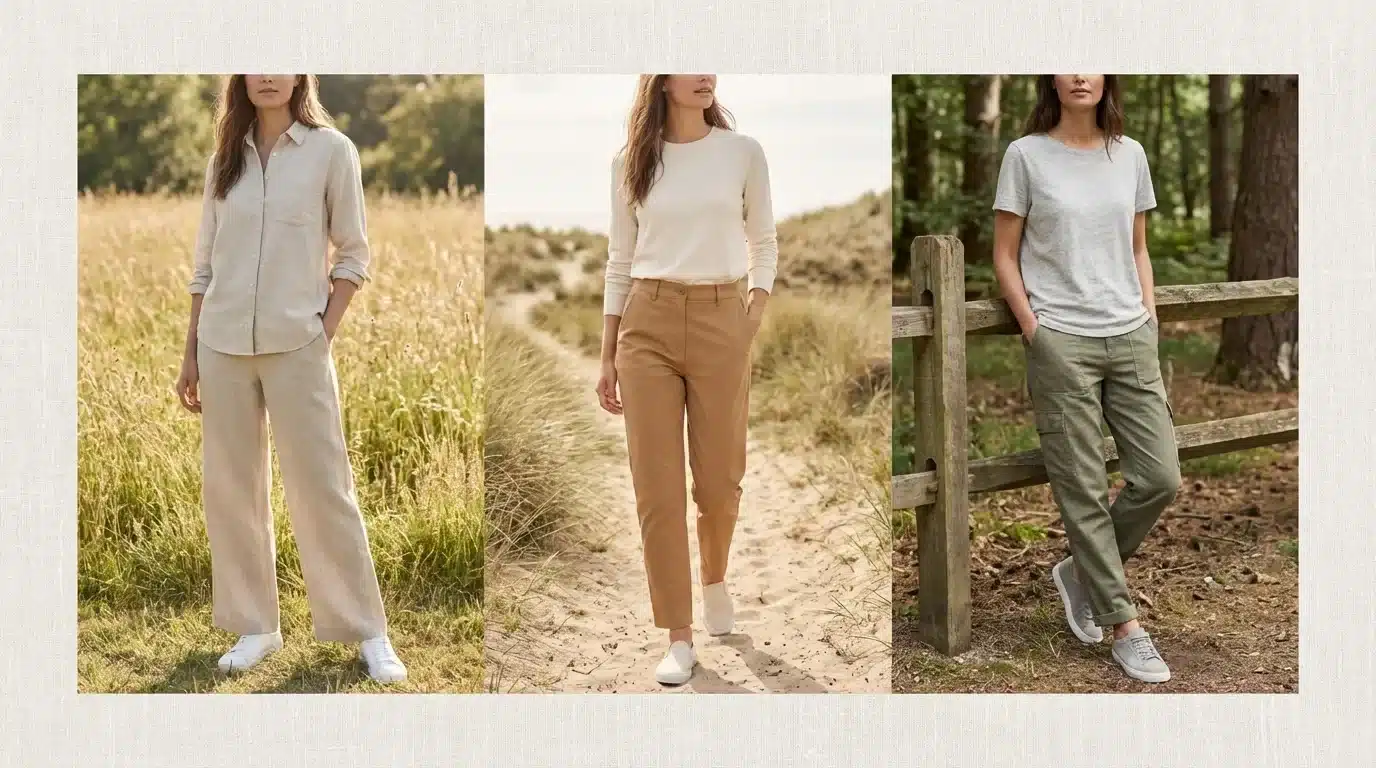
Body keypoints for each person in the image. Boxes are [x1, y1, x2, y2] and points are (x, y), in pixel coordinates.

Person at [174, 74, 406, 682]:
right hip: (222, 343)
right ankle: (257, 625)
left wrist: (320, 333)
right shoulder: (222, 159)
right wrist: (191, 352)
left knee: (324, 485)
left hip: (297, 344)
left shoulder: (333, 150)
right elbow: (205, 263)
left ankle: (367, 629)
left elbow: (354, 254)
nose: (268, 75)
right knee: (230, 487)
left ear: (301, 74)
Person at [992, 74, 1182, 683]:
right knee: (1082, 486)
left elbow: (1138, 247)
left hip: (1130, 334)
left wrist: (1148, 316)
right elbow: (1003, 252)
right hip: (1061, 342)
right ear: (1051, 77)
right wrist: (1033, 329)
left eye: (1092, 62)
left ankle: (1081, 572)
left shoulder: (1129, 153)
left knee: (1160, 477)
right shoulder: (1025, 155)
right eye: (1066, 62)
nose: (1080, 74)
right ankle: (1123, 623)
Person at [594, 74, 778, 685]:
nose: (704, 75)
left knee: (721, 479)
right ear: (662, 80)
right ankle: (678, 634)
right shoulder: (631, 161)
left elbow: (765, 242)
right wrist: (607, 354)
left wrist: (751, 315)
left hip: (723, 317)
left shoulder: (743, 151)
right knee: (657, 487)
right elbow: (619, 260)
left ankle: (716, 576)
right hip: (645, 321)